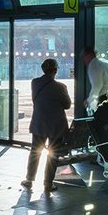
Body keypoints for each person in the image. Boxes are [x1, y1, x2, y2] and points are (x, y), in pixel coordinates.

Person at [21, 59, 71, 193]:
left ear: (43, 69)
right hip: (56, 125)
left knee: (35, 152)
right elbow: (67, 105)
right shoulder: (60, 87)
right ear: (55, 70)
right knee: (53, 154)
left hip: (39, 123)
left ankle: (29, 179)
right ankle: (48, 184)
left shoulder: (35, 83)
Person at [83, 46, 108, 112]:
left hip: (106, 97)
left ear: (89, 55)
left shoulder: (94, 65)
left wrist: (88, 100)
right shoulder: (107, 63)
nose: (83, 59)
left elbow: (97, 86)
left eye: (84, 56)